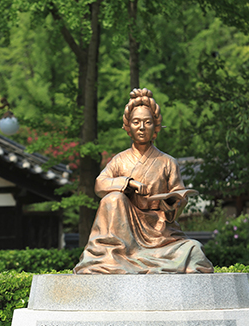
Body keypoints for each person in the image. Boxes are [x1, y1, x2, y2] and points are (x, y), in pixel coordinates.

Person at [74, 88, 213, 274]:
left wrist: (173, 203)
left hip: (159, 233)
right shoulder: (120, 160)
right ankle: (120, 254)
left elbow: (178, 195)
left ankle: (136, 260)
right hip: (125, 232)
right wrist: (127, 183)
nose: (141, 127)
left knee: (193, 249)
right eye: (136, 122)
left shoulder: (168, 162)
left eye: (147, 122)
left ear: (155, 127)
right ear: (128, 127)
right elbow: (100, 184)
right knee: (112, 198)